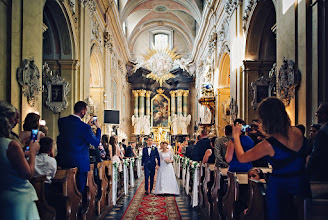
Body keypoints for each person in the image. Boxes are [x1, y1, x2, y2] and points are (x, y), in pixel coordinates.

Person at [232, 97, 308, 220]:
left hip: (280, 190)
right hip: (301, 184)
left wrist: (236, 136)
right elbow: (284, 144)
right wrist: (267, 135)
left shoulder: (268, 145)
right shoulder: (298, 132)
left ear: (266, 119)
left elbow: (242, 157)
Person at [0, 101, 40, 219]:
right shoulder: (11, 145)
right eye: (14, 119)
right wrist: (32, 152)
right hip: (19, 197)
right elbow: (27, 173)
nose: (17, 122)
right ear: (6, 120)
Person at [56, 101, 101, 193]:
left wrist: (87, 126)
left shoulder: (61, 121)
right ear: (83, 112)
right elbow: (96, 143)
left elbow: (73, 134)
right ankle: (79, 206)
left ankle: (66, 206)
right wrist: (98, 128)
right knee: (79, 190)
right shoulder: (85, 128)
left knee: (66, 188)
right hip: (80, 163)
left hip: (64, 161)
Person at [307, 103, 328, 181]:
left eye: (319, 113)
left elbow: (316, 154)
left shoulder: (322, 132)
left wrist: (307, 171)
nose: (316, 115)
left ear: (325, 114)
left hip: (321, 172)